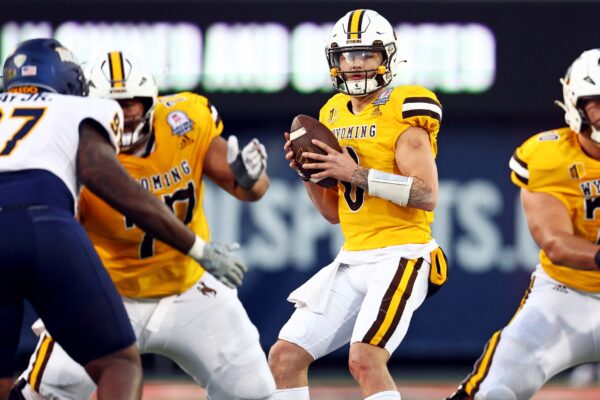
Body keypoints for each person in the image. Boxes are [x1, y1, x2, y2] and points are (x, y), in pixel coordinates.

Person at [13, 50, 276, 400]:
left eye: (130, 103)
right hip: (107, 294)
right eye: (111, 105)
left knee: (255, 392)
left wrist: (251, 177)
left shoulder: (185, 120)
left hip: (189, 288)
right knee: (43, 393)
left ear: (150, 100)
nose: (122, 114)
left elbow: (249, 190)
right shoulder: (73, 146)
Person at [268, 9, 447, 400]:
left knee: (365, 359)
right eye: (347, 55)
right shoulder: (331, 112)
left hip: (404, 253)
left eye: (366, 54)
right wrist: (308, 173)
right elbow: (333, 213)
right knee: (284, 358)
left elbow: (427, 194)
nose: (354, 64)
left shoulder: (403, 106)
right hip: (353, 258)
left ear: (387, 57)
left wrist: (355, 173)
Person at [446, 48, 600, 400]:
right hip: (567, 297)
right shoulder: (548, 157)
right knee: (495, 390)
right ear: (576, 105)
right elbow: (556, 243)